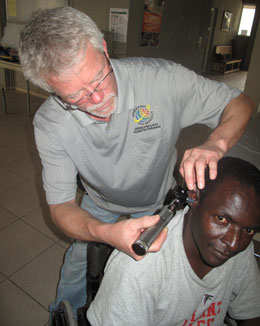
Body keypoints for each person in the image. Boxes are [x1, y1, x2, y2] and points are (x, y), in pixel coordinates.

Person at [18, 6, 254, 319]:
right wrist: (106, 234)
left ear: (103, 48)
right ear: (50, 88)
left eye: (98, 79)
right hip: (99, 200)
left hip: (158, 199)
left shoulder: (162, 81)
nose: (98, 100)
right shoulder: (51, 123)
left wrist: (216, 142)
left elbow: (240, 102)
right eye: (77, 97)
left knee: (157, 274)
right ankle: (60, 317)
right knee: (76, 263)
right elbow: (61, 208)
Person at [87, 157, 260, 325]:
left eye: (249, 230)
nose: (234, 243)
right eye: (221, 219)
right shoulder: (138, 271)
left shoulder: (240, 246)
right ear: (194, 197)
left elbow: (252, 312)